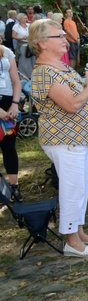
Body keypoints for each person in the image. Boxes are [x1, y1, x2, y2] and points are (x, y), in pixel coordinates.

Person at [29, 19, 88, 257]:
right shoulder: (44, 73)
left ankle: (80, 231)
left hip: (79, 139)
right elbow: (73, 104)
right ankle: (71, 240)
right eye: (59, 36)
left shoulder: (61, 68)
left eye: (64, 35)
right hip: (64, 140)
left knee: (83, 186)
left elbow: (83, 101)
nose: (66, 40)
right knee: (72, 188)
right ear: (42, 43)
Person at [0, 42, 23, 201]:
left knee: (9, 146)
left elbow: (16, 81)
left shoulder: (7, 52)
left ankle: (14, 187)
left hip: (8, 106)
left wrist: (15, 104)